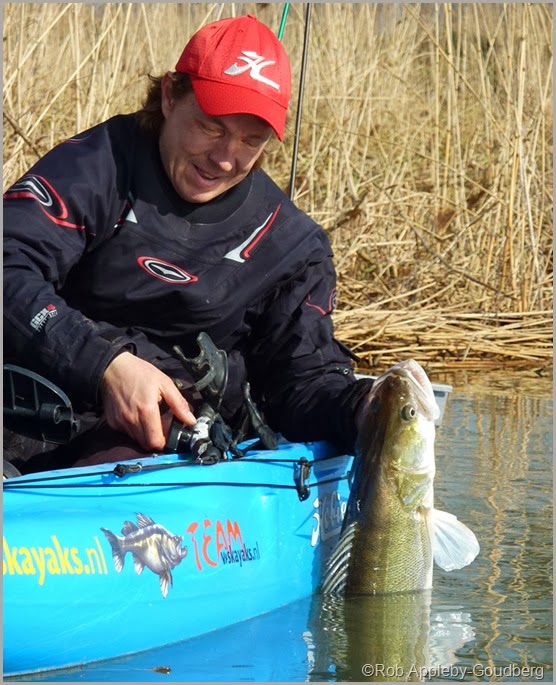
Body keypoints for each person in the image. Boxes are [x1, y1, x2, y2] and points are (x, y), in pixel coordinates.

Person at [3, 14, 373, 473]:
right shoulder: (95, 167)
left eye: (250, 140)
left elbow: (301, 381)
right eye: (211, 127)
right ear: (169, 96)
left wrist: (362, 408)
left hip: (159, 448)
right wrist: (105, 366)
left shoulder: (291, 245)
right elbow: (8, 266)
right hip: (34, 405)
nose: (223, 159)